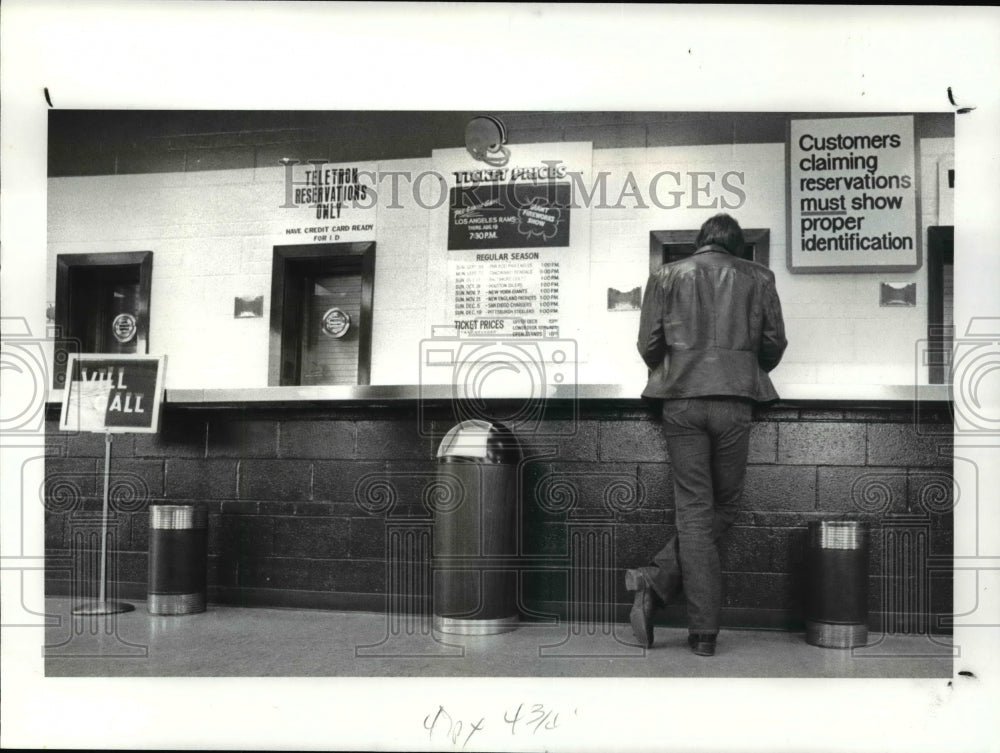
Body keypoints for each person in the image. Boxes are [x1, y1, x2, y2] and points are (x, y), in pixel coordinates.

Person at [627, 213, 787, 656]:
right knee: (726, 506)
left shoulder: (664, 276)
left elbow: (648, 345)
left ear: (701, 243)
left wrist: (681, 365)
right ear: (736, 246)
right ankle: (662, 589)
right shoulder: (760, 277)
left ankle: (691, 622)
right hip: (735, 401)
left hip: (680, 400)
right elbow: (774, 344)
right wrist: (736, 369)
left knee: (694, 511)